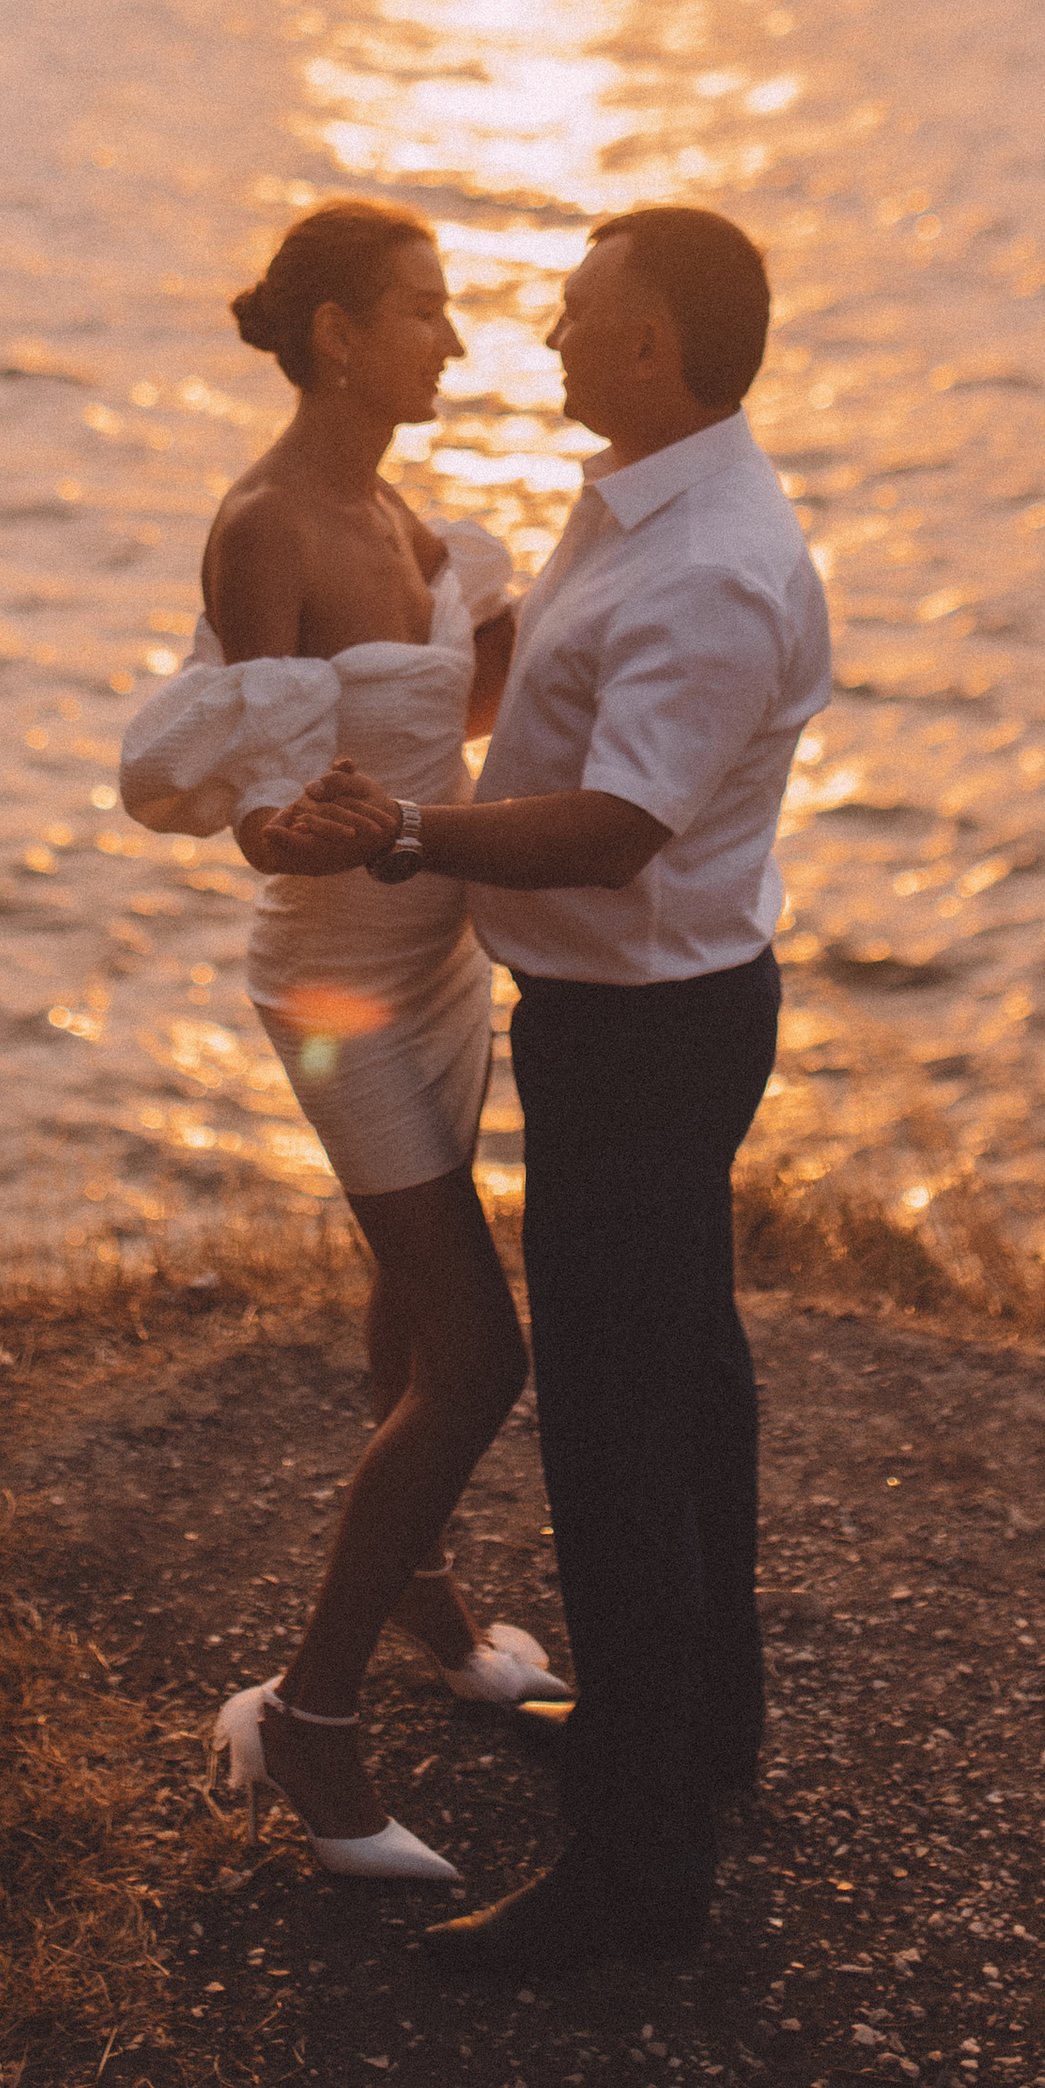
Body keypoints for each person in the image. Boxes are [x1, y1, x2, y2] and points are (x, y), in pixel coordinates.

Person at [283, 204, 832, 1976]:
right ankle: (698, 1739)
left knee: (614, 1440)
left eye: (580, 315)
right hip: (650, 1017)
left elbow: (617, 829)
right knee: (693, 1387)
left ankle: (632, 1885)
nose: (546, 336)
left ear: (658, 349)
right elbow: (548, 695)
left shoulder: (714, 568)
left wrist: (411, 832)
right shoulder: (648, 494)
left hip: (647, 1038)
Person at [117, 199, 564, 1887]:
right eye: (427, 311)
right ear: (337, 336)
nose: (454, 341)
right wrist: (300, 827)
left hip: (440, 960)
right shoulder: (270, 526)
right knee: (478, 1360)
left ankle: (436, 1614)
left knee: (408, 1324)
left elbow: (446, 717)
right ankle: (303, 1721)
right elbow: (259, 803)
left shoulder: (410, 518)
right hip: (332, 991)